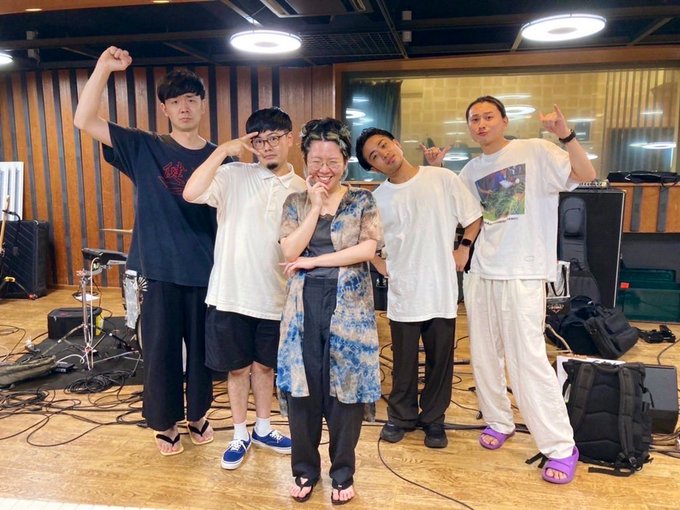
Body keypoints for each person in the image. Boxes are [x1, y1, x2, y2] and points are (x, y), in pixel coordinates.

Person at [74, 46, 220, 455]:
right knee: (159, 353)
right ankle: (164, 422)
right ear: (165, 109)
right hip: (155, 269)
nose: (184, 107)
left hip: (206, 270)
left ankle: (198, 414)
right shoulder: (143, 146)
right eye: (174, 101)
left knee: (203, 353)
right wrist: (103, 68)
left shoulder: (219, 157)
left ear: (203, 104)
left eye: (190, 99)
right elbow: (84, 120)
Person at [456, 95, 596, 484]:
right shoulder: (470, 170)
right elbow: (471, 219)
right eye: (474, 119)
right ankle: (499, 420)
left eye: (488, 116)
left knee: (527, 359)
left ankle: (561, 446)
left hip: (523, 270)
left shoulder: (535, 151)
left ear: (504, 120)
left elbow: (585, 173)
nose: (481, 124)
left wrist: (566, 135)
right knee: (484, 355)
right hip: (482, 272)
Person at [183, 107, 305, 470]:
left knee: (265, 368)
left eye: (274, 138)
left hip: (275, 295)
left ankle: (263, 428)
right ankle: (240, 433)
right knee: (236, 370)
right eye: (259, 140)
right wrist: (223, 150)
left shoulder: (301, 188)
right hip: (230, 293)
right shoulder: (232, 174)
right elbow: (191, 192)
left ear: (290, 139)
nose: (267, 147)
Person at [355, 128, 482, 449]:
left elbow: (473, 217)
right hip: (404, 292)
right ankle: (401, 416)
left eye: (384, 145)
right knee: (403, 362)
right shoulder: (377, 199)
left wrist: (464, 248)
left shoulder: (442, 179)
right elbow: (366, 241)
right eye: (374, 156)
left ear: (396, 143)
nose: (383, 154)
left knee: (441, 361)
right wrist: (380, 264)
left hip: (440, 289)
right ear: (372, 167)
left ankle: (434, 419)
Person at [277, 118, 382, 505]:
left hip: (349, 308)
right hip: (302, 308)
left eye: (333, 161)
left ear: (345, 161)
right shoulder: (295, 202)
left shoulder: (362, 201)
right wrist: (316, 207)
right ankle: (305, 470)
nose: (324, 169)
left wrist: (314, 261)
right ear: (305, 160)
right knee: (303, 392)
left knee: (345, 395)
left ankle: (342, 473)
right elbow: (290, 250)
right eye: (316, 161)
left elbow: (366, 250)